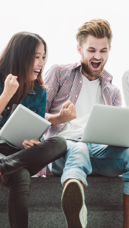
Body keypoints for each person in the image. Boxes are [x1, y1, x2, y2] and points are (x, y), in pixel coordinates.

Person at [0, 32, 67, 228]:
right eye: (36, 57)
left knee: (60, 143)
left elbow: (37, 129)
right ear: (21, 56)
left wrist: (33, 142)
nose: (41, 63)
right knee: (21, 175)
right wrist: (7, 95)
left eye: (44, 57)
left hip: (16, 152)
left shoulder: (39, 90)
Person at [44, 19, 128, 228]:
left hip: (98, 153)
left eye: (103, 50)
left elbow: (117, 132)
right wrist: (57, 119)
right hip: (62, 150)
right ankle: (76, 208)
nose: (98, 56)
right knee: (79, 147)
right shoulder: (60, 74)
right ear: (79, 49)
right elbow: (34, 113)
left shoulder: (113, 92)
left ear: (109, 50)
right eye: (91, 50)